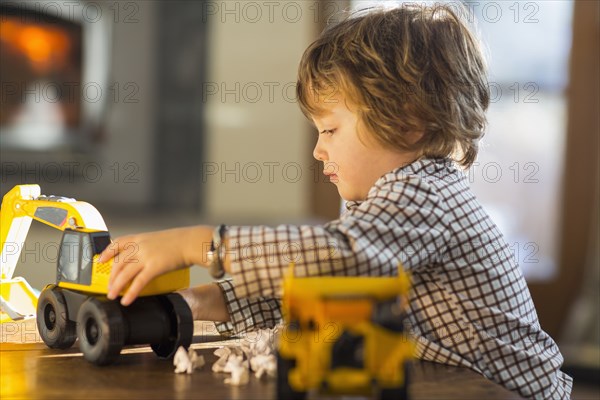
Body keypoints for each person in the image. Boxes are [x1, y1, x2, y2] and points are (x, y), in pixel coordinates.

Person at [99, 4, 572, 399]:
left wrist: (199, 245)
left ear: (407, 123)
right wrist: (196, 302)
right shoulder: (387, 204)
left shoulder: (427, 194)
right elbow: (322, 292)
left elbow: (339, 257)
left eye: (330, 129)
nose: (317, 149)